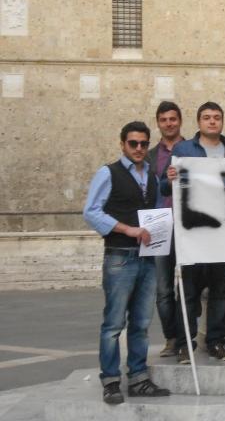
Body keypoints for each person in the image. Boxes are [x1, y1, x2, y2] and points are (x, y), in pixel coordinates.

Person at [83, 121, 170, 404]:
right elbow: (91, 212)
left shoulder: (154, 178)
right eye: (133, 143)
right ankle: (110, 381)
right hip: (120, 257)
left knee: (142, 323)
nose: (139, 149)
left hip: (147, 258)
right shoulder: (107, 173)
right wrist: (127, 229)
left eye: (144, 144)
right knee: (113, 324)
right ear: (123, 144)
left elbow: (155, 212)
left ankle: (138, 378)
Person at [164, 102, 225, 364]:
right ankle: (185, 344)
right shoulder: (183, 150)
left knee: (219, 292)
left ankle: (216, 342)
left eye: (217, 117)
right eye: (207, 117)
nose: (212, 122)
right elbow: (163, 186)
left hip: (221, 234)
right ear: (198, 122)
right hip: (192, 233)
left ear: (222, 121)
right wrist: (169, 177)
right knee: (188, 292)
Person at [147, 101, 184, 358]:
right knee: (163, 288)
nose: (169, 123)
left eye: (173, 119)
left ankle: (185, 337)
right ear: (158, 123)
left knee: (190, 286)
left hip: (187, 222)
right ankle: (171, 338)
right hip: (159, 223)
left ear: (180, 120)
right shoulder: (149, 155)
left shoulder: (192, 149)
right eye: (164, 120)